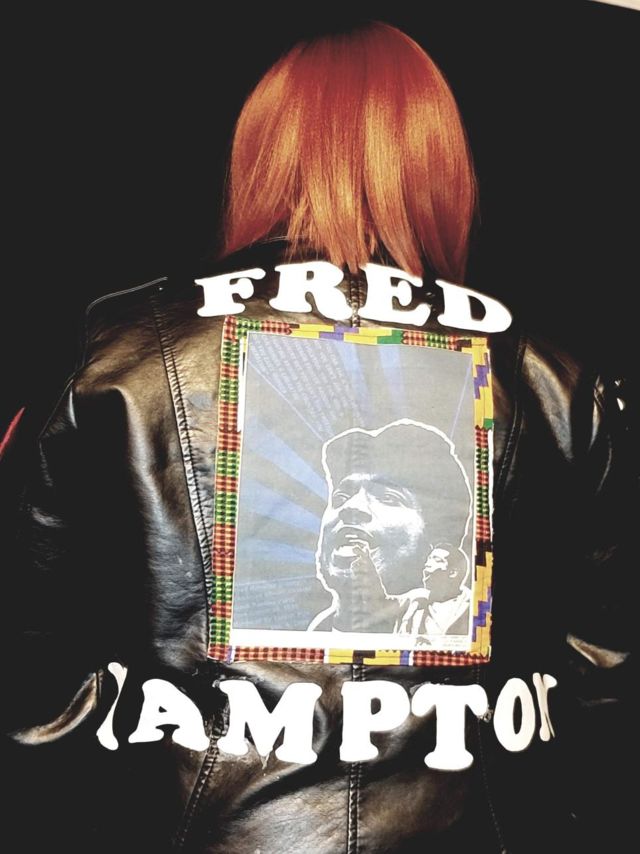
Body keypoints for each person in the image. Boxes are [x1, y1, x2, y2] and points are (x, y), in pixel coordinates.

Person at [2, 19, 633, 854]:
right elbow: (604, 678)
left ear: (260, 159)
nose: (350, 511)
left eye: (389, 493)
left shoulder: (122, 348)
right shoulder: (552, 374)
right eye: (348, 492)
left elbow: (28, 653)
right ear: (439, 165)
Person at [309, 420, 472, 634]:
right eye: (341, 497)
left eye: (389, 498)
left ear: (436, 542)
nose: (351, 507)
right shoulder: (312, 635)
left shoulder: (460, 623)